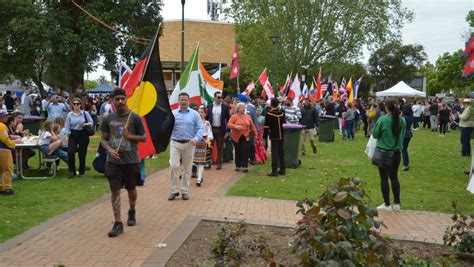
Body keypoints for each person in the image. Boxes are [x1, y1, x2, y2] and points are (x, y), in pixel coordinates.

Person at [100, 89, 146, 237]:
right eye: (117, 99)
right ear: (112, 101)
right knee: (115, 190)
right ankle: (118, 223)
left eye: (122, 99)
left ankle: (132, 210)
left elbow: (144, 137)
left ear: (126, 99)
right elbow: (104, 138)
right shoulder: (108, 118)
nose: (120, 102)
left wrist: (130, 135)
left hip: (131, 160)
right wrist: (108, 149)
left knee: (131, 189)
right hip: (113, 161)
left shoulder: (135, 118)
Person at [168, 92, 205, 201]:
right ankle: (174, 190)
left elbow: (200, 128)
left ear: (188, 101)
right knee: (174, 166)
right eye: (181, 100)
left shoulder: (195, 114)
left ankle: (184, 190)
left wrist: (196, 139)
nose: (183, 101)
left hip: (190, 143)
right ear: (178, 101)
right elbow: (167, 127)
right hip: (175, 143)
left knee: (187, 168)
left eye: (185, 100)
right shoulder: (173, 114)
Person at [372, 99, 406, 211]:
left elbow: (375, 134)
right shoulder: (402, 121)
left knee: (384, 178)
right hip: (397, 153)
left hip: (384, 153)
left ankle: (386, 204)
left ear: (386, 108)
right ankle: (397, 203)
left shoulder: (383, 119)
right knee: (394, 177)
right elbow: (403, 134)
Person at [64, 98, 93, 178]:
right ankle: (71, 170)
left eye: (77, 104)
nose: (76, 105)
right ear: (72, 105)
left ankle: (81, 171)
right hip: (73, 134)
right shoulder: (69, 115)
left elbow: (91, 122)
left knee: (82, 153)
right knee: (70, 152)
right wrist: (67, 136)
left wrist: (86, 124)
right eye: (74, 104)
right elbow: (67, 126)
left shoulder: (85, 113)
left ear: (80, 105)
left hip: (83, 134)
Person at [227, 102, 257, 173]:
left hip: (246, 136)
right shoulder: (234, 116)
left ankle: (245, 166)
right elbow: (229, 124)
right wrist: (236, 126)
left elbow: (252, 127)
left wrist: (256, 135)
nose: (243, 109)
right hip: (236, 137)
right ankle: (238, 165)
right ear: (238, 109)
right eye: (242, 107)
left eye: (244, 107)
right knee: (238, 151)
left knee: (245, 151)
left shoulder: (248, 116)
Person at [206, 91, 230, 170]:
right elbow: (206, 117)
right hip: (211, 129)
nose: (220, 99)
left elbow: (228, 119)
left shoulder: (225, 107)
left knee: (220, 147)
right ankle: (208, 163)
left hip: (220, 129)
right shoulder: (209, 106)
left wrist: (228, 131)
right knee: (209, 147)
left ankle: (219, 163)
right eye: (218, 97)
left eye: (221, 97)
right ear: (215, 97)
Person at [264, 98, 286, 177]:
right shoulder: (282, 113)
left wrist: (264, 137)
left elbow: (266, 127)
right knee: (281, 153)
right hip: (281, 136)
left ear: (271, 105)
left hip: (274, 136)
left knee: (274, 153)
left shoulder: (269, 114)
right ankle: (282, 169)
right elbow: (284, 123)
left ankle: (274, 171)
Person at [193, 106, 213, 187]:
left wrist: (208, 139)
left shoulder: (207, 123)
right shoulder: (194, 122)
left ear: (205, 113)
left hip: (204, 143)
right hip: (196, 143)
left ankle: (199, 179)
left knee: (201, 162)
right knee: (196, 162)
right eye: (199, 112)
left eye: (202, 112)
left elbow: (209, 133)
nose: (200, 113)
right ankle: (199, 176)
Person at [0, 110, 19, 195]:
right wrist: (13, 144)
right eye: (4, 116)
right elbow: (5, 138)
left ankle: (1, 186)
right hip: (4, 149)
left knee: (0, 170)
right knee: (7, 169)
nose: (6, 117)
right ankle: (7, 188)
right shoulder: (2, 125)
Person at [401, 104, 414, 171]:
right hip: (409, 133)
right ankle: (406, 163)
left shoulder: (403, 118)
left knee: (404, 150)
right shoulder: (411, 117)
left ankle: (406, 165)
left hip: (404, 134)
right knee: (404, 149)